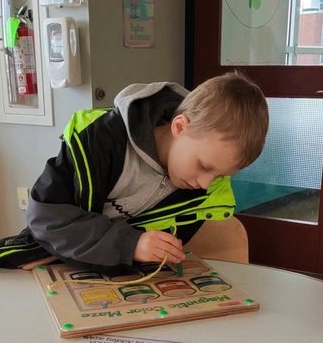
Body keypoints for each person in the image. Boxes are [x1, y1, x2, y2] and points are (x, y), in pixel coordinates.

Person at [26, 73, 269, 267]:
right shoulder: (99, 139)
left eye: (220, 175)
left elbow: (160, 252)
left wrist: (139, 249)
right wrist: (131, 244)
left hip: (110, 277)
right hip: (48, 258)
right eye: (204, 166)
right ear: (180, 127)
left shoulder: (205, 192)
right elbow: (45, 216)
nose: (205, 184)